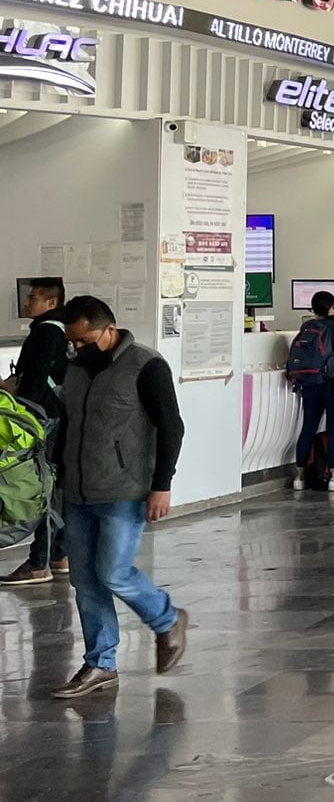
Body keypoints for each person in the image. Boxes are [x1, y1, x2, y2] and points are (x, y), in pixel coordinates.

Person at [46, 297, 187, 698]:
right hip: (77, 490)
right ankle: (100, 664)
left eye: (86, 340)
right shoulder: (75, 369)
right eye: (73, 342)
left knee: (113, 572)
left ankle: (167, 619)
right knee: (85, 580)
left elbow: (171, 427)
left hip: (126, 489)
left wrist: (163, 484)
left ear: (110, 329)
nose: (79, 348)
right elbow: (69, 423)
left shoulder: (146, 365)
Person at [1, 276, 70, 584]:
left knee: (39, 487)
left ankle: (38, 562)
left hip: (42, 420)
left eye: (33, 298)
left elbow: (34, 381)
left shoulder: (45, 333)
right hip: (54, 414)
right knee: (51, 485)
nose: (27, 303)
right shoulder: (59, 331)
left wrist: (17, 405)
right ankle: (58, 554)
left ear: (51, 303)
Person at [289, 290, 334, 492]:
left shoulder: (306, 327)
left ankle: (299, 477)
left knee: (308, 426)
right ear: (333, 306)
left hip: (310, 383)